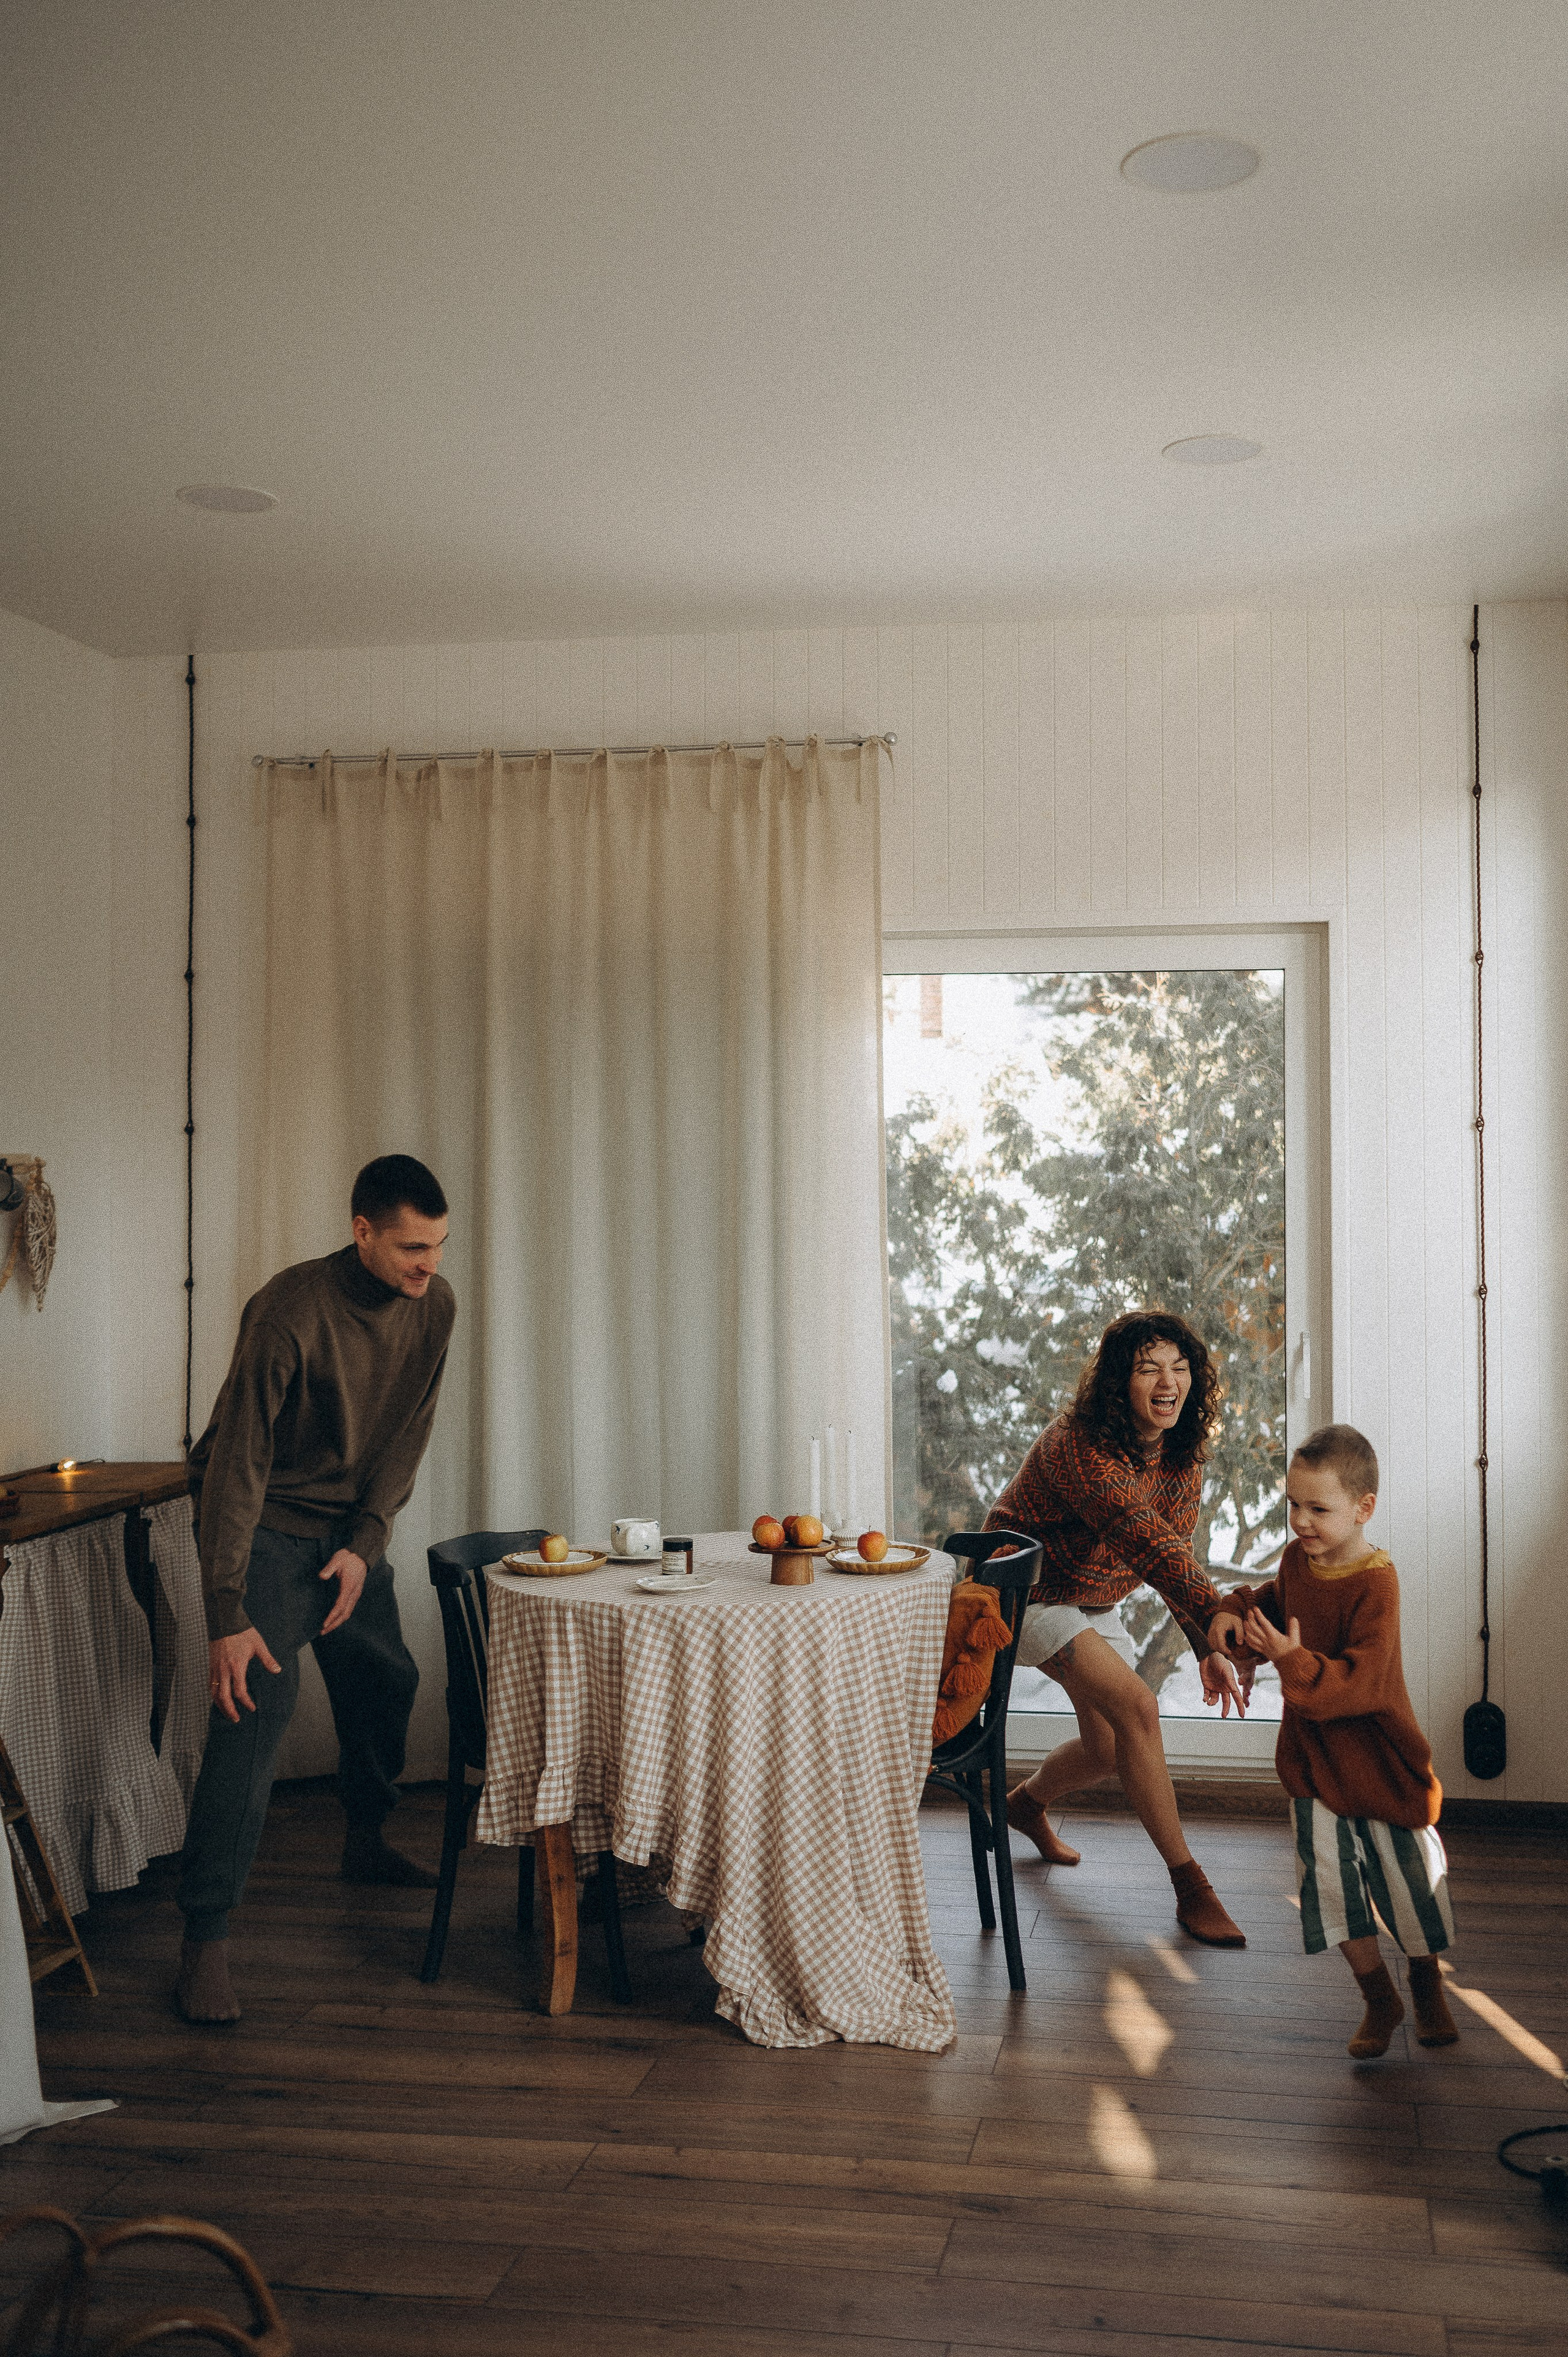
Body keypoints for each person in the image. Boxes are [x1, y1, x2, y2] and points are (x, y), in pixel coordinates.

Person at [173, 1154, 456, 2024]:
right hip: (264, 1523)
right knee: (253, 1706)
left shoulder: (432, 1307)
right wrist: (227, 1612)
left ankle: (365, 1839)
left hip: (346, 1537)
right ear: (361, 1230)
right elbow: (235, 1465)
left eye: (440, 1247)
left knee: (388, 1679)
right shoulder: (289, 1311)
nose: (428, 1266)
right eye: (412, 1247)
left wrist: (368, 1543)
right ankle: (205, 1940)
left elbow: (406, 1435)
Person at [987, 1310, 1251, 1947]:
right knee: (1139, 1708)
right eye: (1148, 1367)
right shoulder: (1076, 1443)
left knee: (1107, 1746)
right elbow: (1140, 1535)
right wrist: (1218, 1616)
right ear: (1117, 1381)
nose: (1168, 1382)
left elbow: (1173, 1551)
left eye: (1180, 1368)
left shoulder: (1181, 1454)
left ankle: (1023, 1804)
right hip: (1025, 1587)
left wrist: (1203, 1643)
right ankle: (1191, 1885)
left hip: (1093, 1597)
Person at [1224, 1423, 1459, 2059]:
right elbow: (1276, 1599)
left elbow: (1363, 1681)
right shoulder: (1298, 1557)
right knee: (1329, 1887)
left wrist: (1293, 1662)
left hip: (1379, 1760)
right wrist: (1239, 1611)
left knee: (1411, 1886)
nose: (1300, 1520)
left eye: (1317, 1508)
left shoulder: (1376, 1583)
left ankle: (1423, 1977)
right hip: (1313, 1761)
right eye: (1292, 1505)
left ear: (1363, 1508)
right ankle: (1378, 1994)